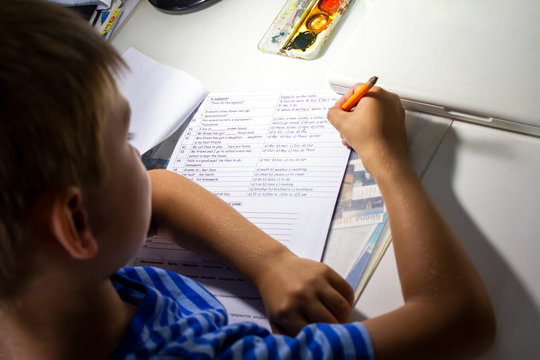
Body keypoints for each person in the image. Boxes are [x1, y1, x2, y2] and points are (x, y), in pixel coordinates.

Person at [0, 0, 495, 359]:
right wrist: (386, 156)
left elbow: (163, 192)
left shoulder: (31, 278)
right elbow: (457, 319)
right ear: (75, 224)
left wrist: (271, 261)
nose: (139, 154)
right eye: (124, 141)